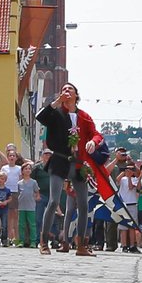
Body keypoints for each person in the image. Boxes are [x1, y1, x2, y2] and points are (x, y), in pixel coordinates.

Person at [34, 81, 104, 257]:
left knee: (83, 204)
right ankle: (43, 242)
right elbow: (40, 117)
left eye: (69, 89)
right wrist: (57, 101)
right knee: (54, 201)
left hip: (79, 163)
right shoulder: (56, 112)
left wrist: (92, 142)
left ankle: (81, 244)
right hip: (59, 160)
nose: (66, 91)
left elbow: (97, 134)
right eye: (63, 89)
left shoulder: (84, 117)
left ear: (76, 95)